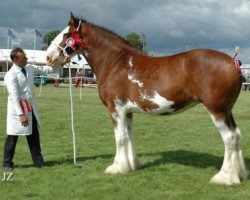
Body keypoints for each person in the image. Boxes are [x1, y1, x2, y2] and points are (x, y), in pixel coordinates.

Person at [2, 47, 69, 170]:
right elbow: (14, 97)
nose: (27, 59)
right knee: (12, 137)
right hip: (17, 110)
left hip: (30, 108)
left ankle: (39, 163)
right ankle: (7, 163)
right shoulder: (10, 75)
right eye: (24, 58)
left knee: (34, 136)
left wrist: (61, 62)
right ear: (15, 59)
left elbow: (46, 69)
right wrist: (21, 115)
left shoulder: (29, 68)